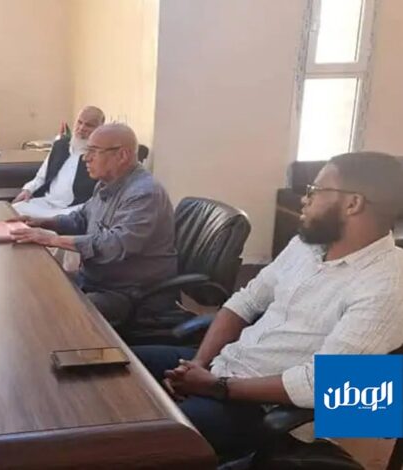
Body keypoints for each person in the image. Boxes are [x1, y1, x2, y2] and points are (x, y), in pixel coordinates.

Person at [133, 152, 403, 459]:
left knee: (140, 439)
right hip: (224, 368)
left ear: (353, 203)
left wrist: (216, 387)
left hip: (265, 408)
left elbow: (322, 385)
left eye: (314, 191)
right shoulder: (306, 245)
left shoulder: (388, 284)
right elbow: (245, 302)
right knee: (118, 368)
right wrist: (199, 363)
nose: (304, 199)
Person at [10, 123, 177, 326]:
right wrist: (41, 222)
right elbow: (81, 219)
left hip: (129, 292)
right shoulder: (106, 183)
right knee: (32, 291)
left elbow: (115, 245)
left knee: (56, 316)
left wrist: (51, 240)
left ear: (122, 155)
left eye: (93, 151)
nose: (85, 158)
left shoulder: (144, 193)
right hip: (95, 280)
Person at [12, 106, 105, 218]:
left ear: (100, 128)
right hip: (47, 203)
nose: (81, 128)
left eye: (89, 125)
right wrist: (28, 190)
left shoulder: (101, 155)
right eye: (79, 122)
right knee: (15, 209)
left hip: (75, 208)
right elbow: (41, 177)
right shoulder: (60, 145)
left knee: (70, 217)